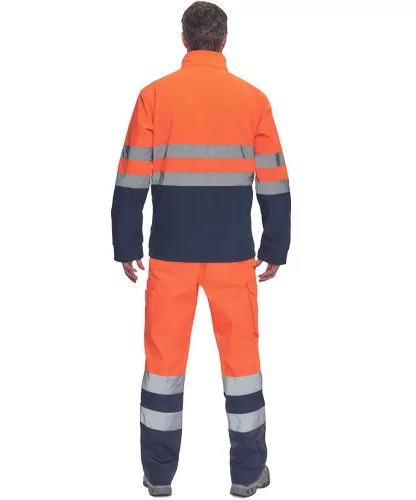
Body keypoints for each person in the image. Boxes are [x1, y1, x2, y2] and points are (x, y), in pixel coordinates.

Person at [111, 1, 291, 496]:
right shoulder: (253, 99)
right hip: (233, 254)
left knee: (163, 365)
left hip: (170, 253)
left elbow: (130, 175)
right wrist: (275, 244)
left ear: (184, 39)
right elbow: (274, 179)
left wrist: (126, 242)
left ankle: (158, 475)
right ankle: (247, 473)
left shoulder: (154, 96)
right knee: (242, 365)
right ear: (224, 40)